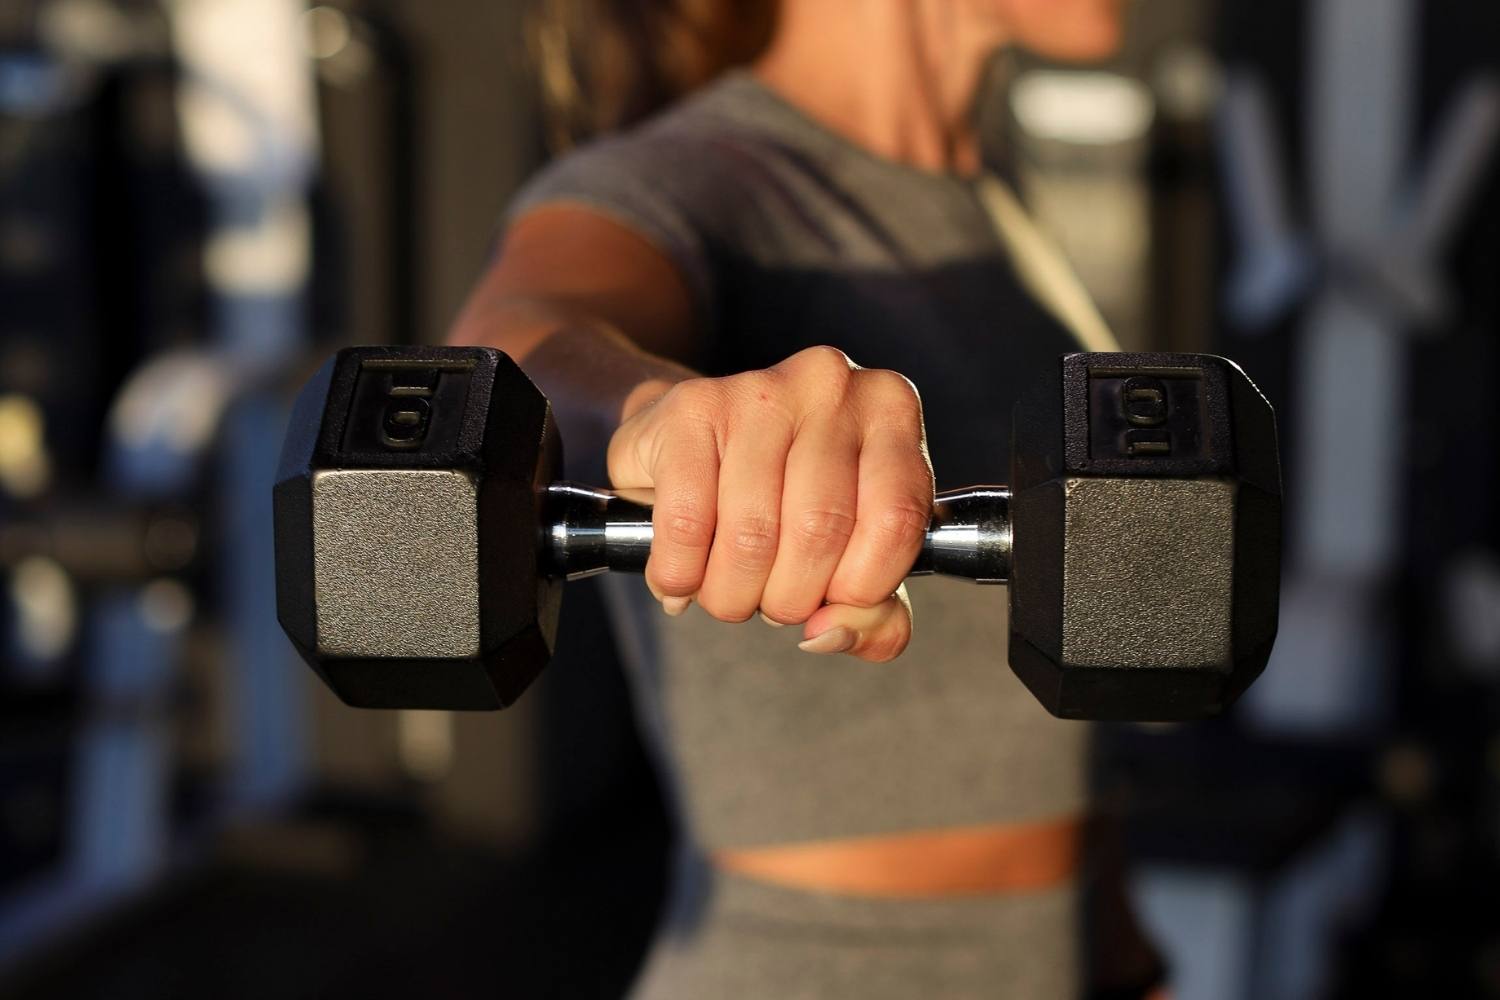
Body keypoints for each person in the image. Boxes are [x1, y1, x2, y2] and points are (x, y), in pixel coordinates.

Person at [450, 1, 1165, 996]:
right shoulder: (699, 172)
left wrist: (1127, 958)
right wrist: (658, 415)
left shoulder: (982, 192)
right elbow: (518, 339)